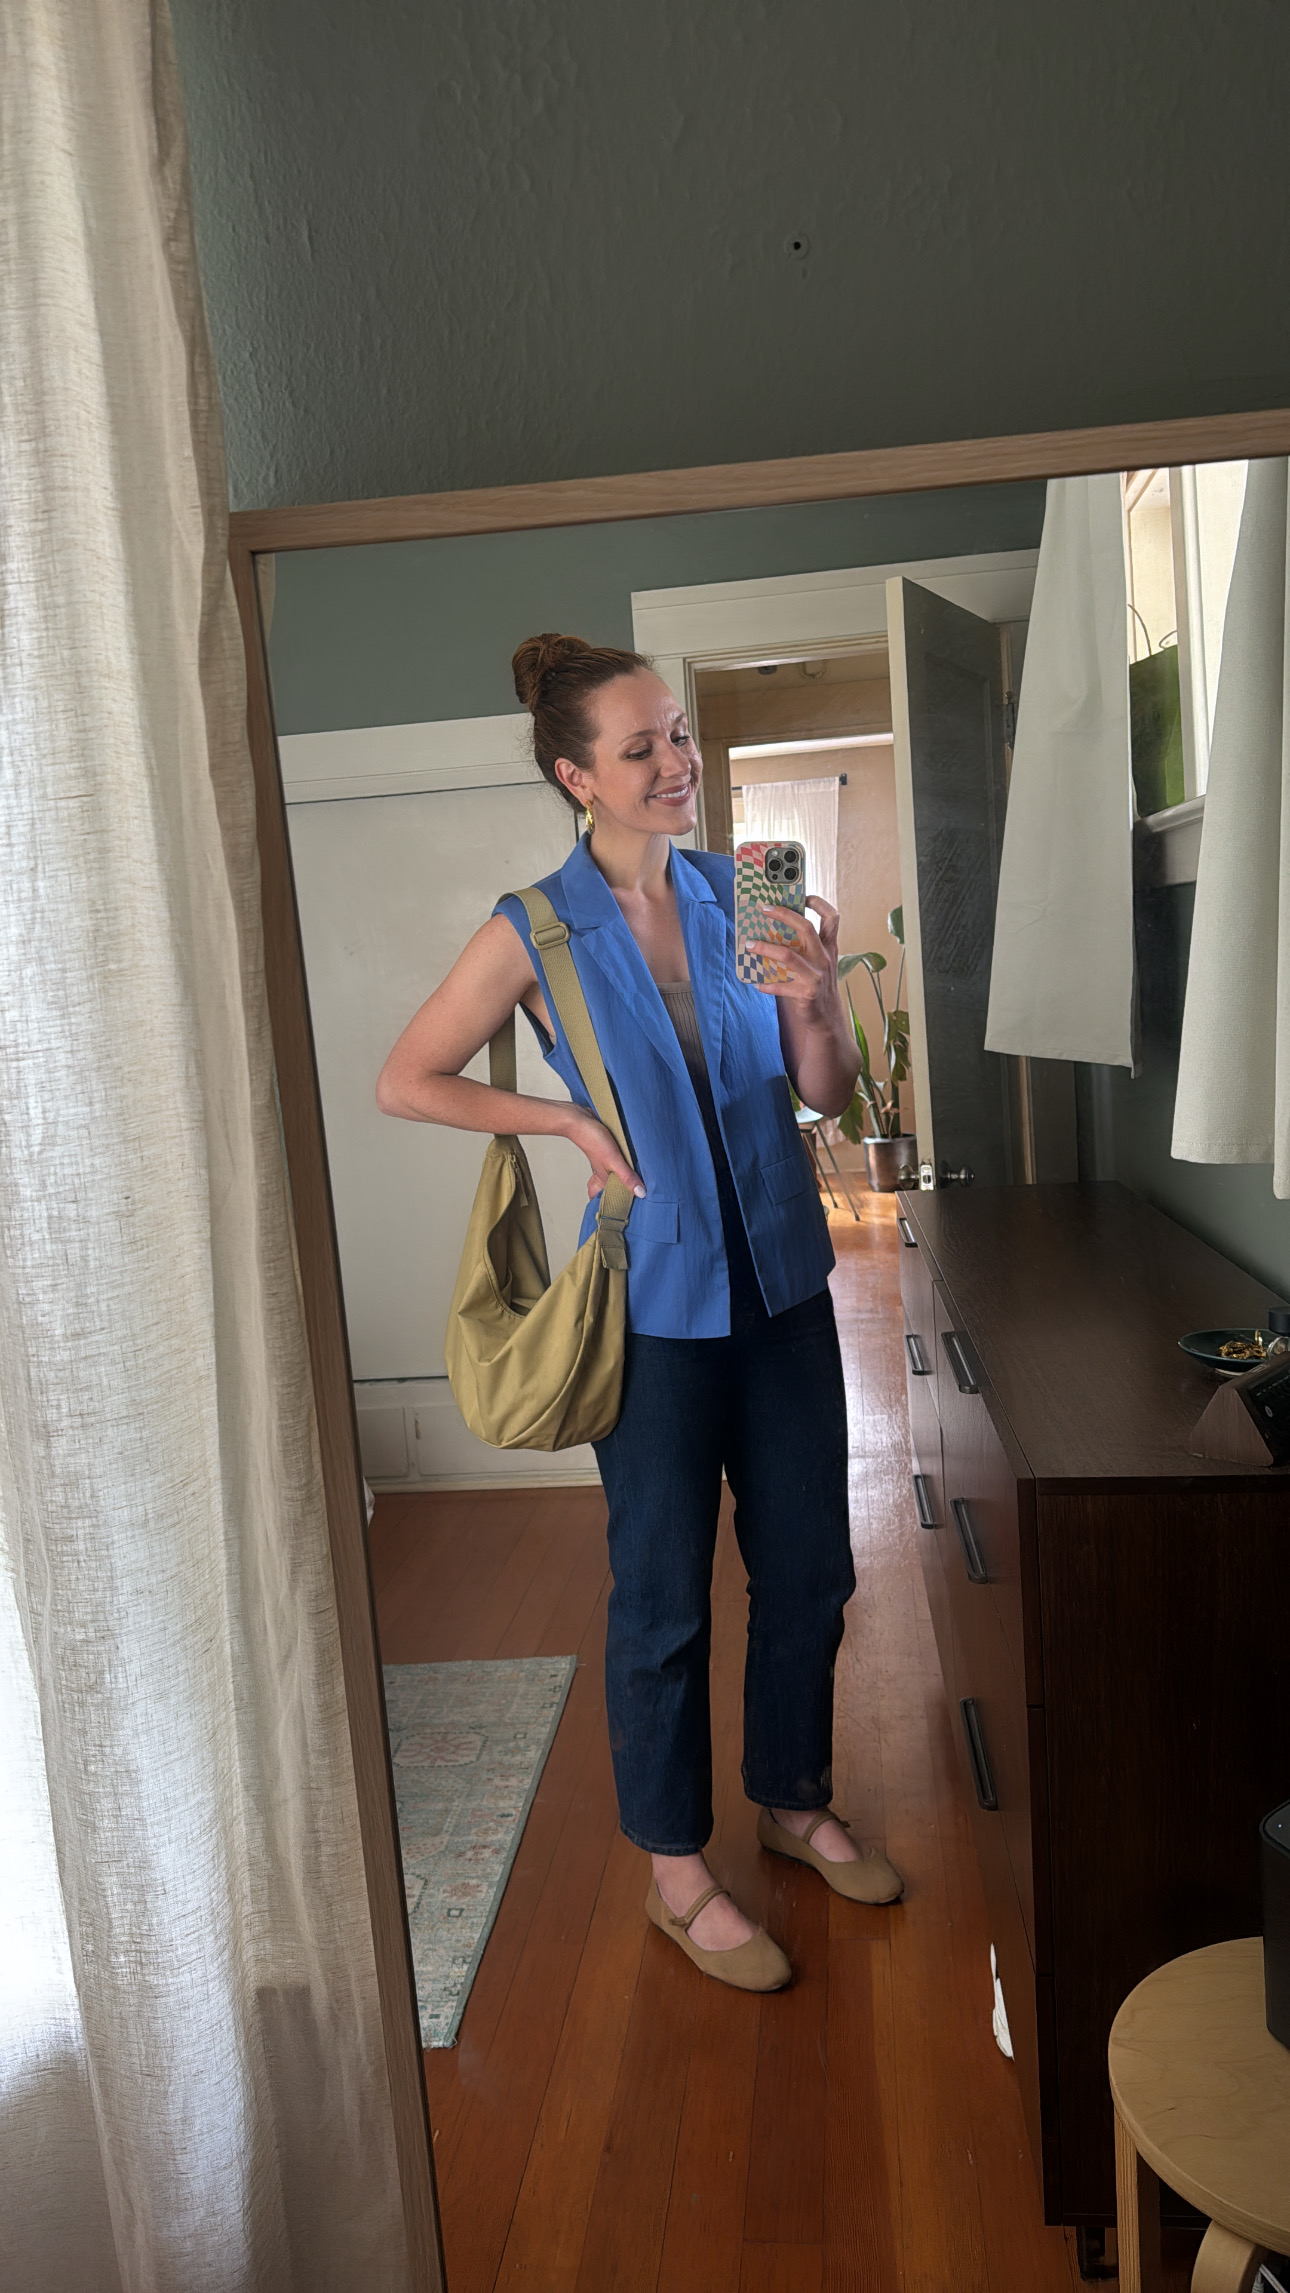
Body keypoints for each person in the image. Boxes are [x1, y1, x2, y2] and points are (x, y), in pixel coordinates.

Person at [377, 633, 903, 1990]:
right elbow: (408, 1077)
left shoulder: (759, 888)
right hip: (653, 1307)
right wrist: (555, 1110)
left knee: (809, 1570)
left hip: (784, 1282)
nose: (676, 765)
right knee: (661, 1595)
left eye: (677, 736)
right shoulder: (531, 926)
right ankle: (678, 1868)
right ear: (576, 777)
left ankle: (791, 1799)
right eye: (639, 750)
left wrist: (820, 1009)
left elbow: (824, 1091)